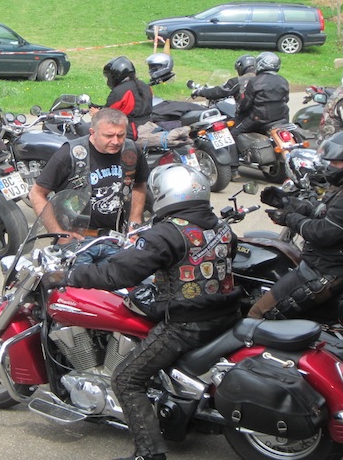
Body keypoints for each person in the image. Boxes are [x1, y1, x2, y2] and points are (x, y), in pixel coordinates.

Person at [43, 163, 241, 460]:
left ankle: (148, 454)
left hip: (186, 325)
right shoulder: (221, 226)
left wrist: (70, 276)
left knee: (125, 380)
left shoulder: (167, 233)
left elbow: (119, 274)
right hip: (225, 314)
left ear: (168, 194)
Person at [247, 130, 343, 321]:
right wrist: (289, 203)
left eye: (336, 163)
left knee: (257, 315)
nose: (331, 167)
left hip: (331, 270)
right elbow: (329, 213)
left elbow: (324, 232)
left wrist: (288, 218)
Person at [29, 107, 149, 264]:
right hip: (78, 241)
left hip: (118, 239)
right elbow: (37, 193)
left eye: (121, 135)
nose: (116, 141)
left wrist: (134, 222)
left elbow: (139, 184)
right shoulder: (69, 153)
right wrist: (58, 233)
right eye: (108, 136)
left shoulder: (131, 151)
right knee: (77, 280)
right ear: (93, 132)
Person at [191, 54, 257, 182]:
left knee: (227, 132)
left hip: (248, 117)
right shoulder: (263, 79)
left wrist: (200, 92)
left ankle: (234, 169)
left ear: (241, 67)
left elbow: (219, 91)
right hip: (268, 117)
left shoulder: (239, 81)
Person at [230, 51, 290, 181]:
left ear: (261, 64)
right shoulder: (283, 80)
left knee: (233, 133)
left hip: (259, 118)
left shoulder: (255, 81)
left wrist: (239, 110)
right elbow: (286, 99)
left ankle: (234, 170)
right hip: (281, 118)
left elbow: (247, 103)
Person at [89, 56, 154, 141]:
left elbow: (108, 116)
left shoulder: (119, 91)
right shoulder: (145, 86)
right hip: (149, 127)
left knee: (91, 136)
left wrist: (97, 113)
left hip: (128, 131)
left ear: (116, 76)